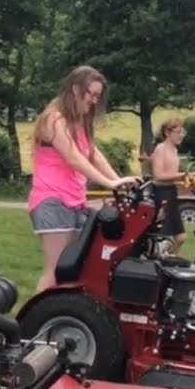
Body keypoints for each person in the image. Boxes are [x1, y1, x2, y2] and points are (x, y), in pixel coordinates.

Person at [27, 65, 142, 293]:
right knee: (55, 273)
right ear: (75, 89)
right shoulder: (54, 119)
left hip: (75, 202)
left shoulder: (80, 122)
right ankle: (33, 325)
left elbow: (93, 154)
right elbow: (74, 158)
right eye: (92, 94)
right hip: (52, 201)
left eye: (99, 96)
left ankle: (61, 322)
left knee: (75, 273)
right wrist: (109, 184)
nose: (95, 101)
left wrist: (120, 180)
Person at [149, 117, 188, 255]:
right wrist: (181, 175)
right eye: (178, 132)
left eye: (183, 132)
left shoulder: (175, 151)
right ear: (167, 132)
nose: (181, 135)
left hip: (171, 191)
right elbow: (158, 175)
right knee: (162, 236)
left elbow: (172, 175)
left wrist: (186, 179)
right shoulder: (161, 149)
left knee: (181, 237)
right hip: (161, 193)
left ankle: (169, 259)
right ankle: (161, 259)